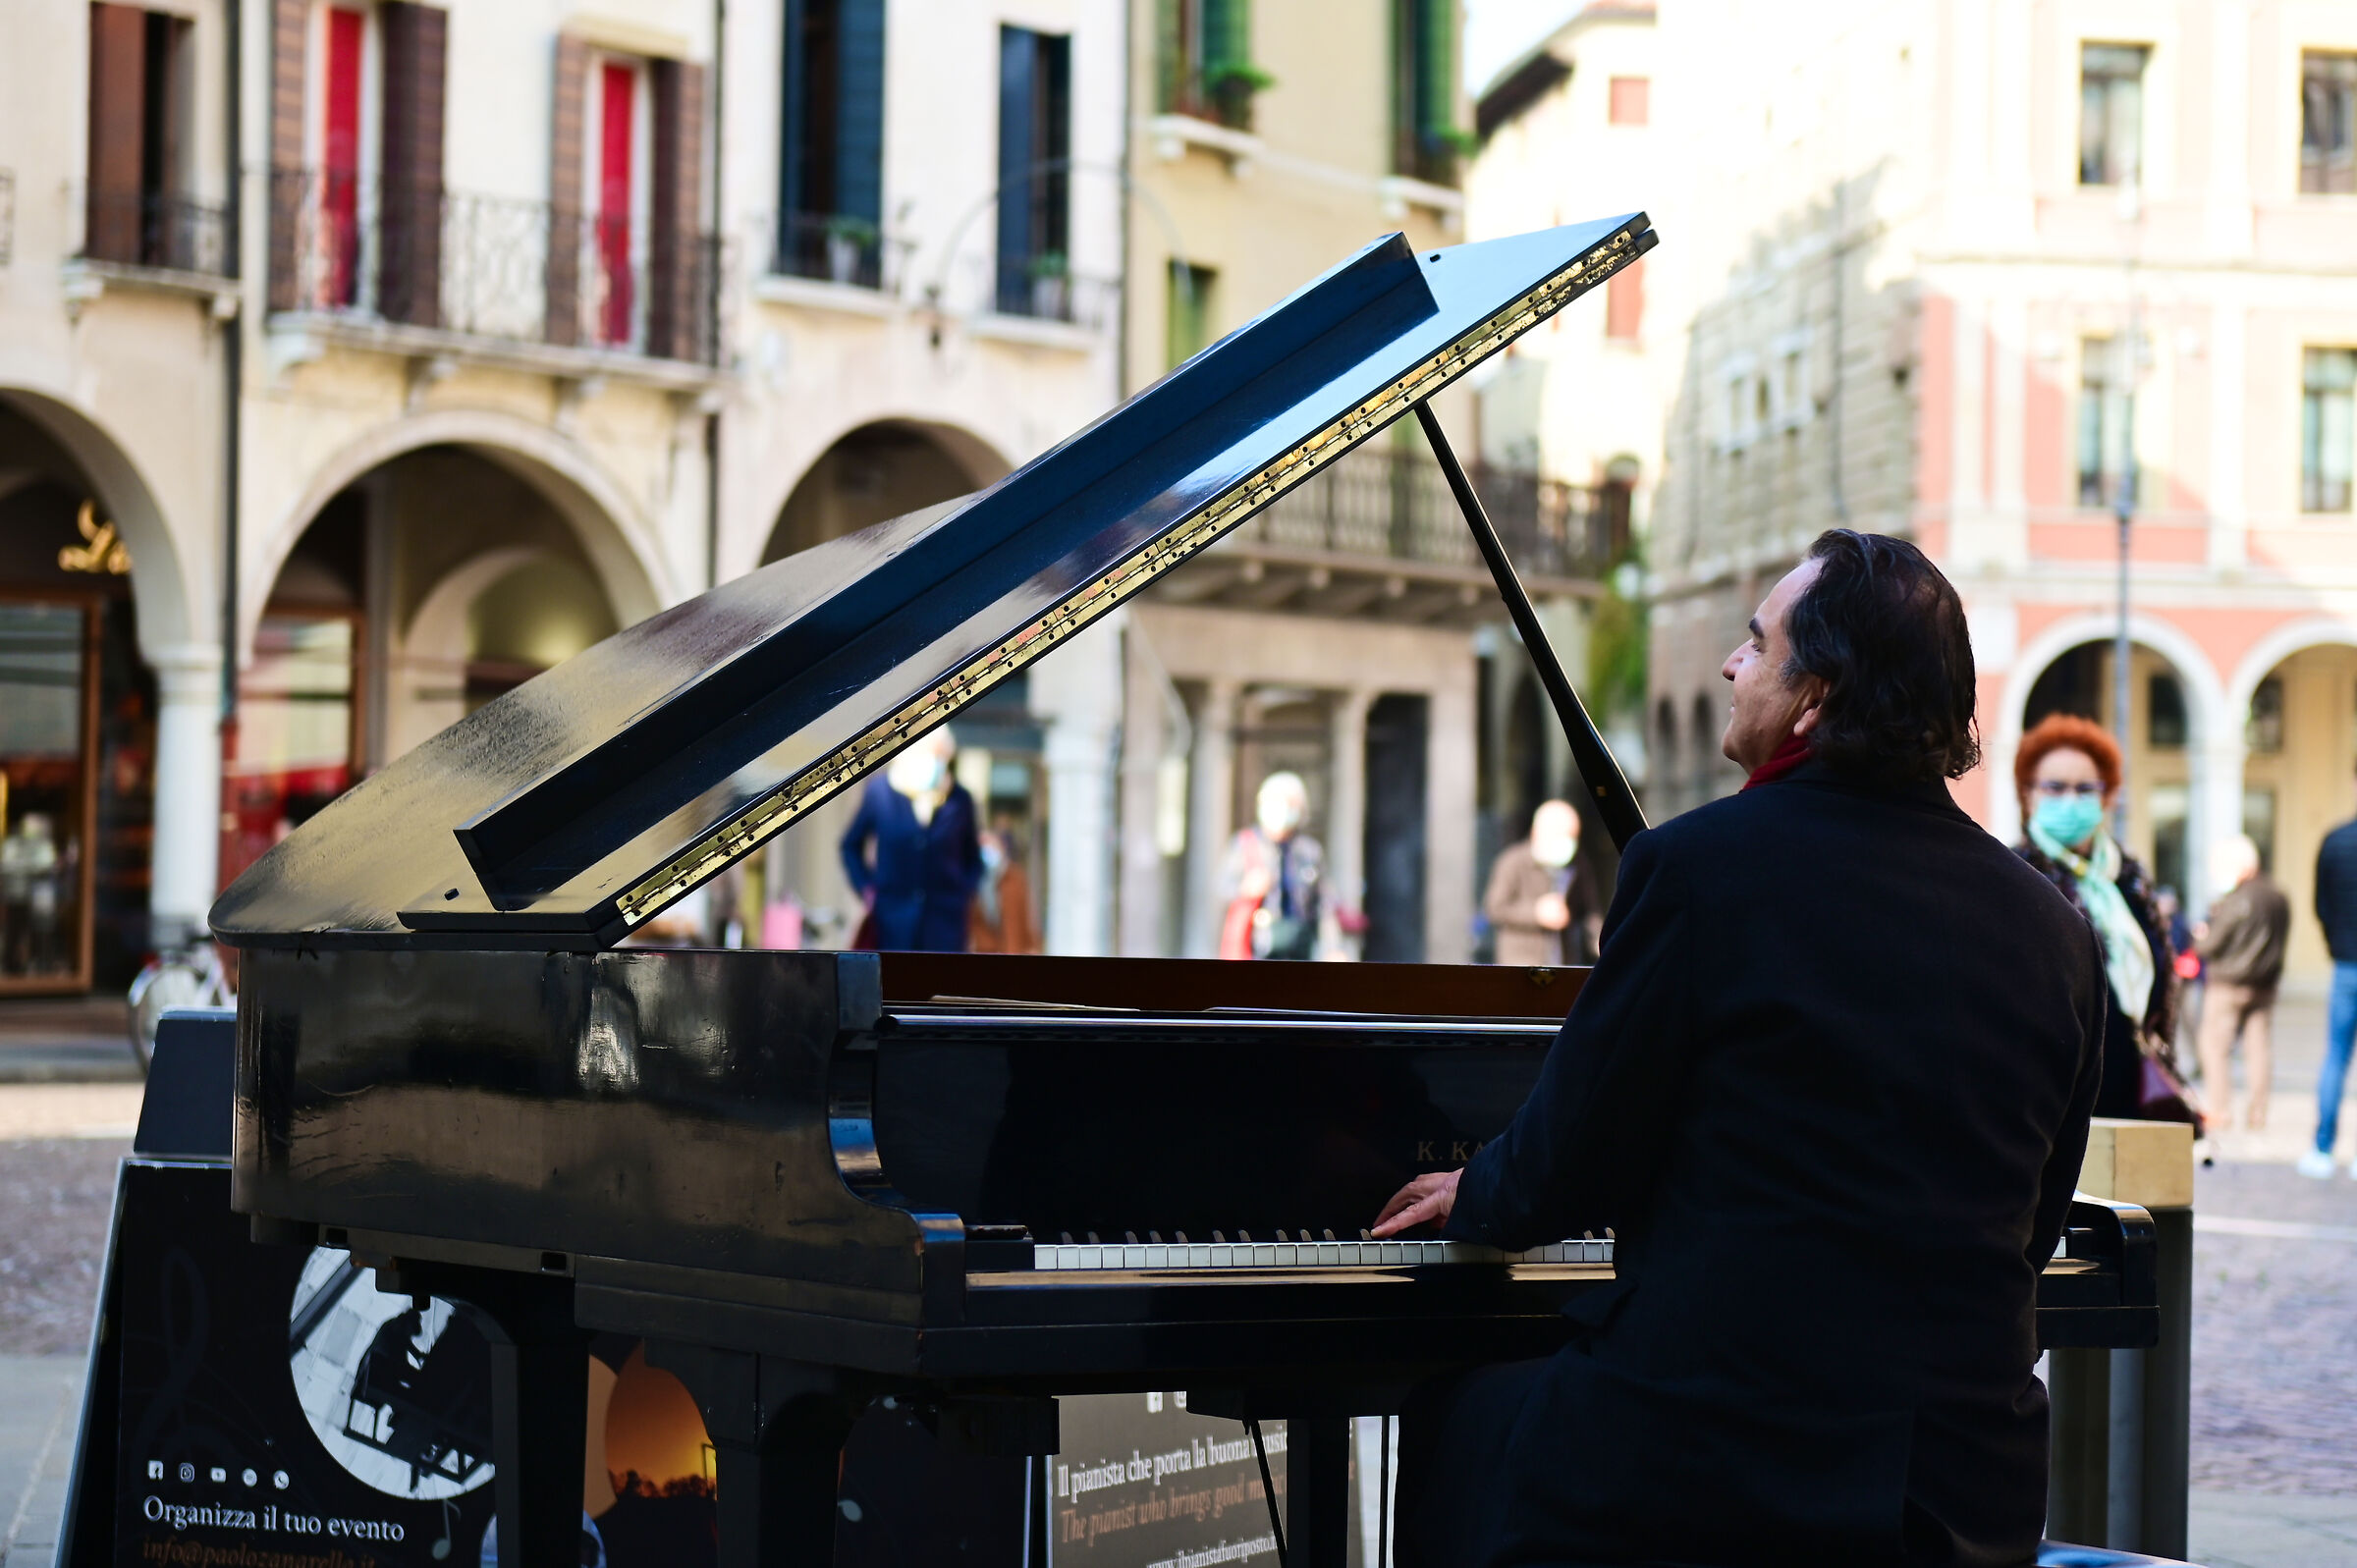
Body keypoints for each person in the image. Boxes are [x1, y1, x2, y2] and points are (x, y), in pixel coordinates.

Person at [1372, 530, 2107, 1568]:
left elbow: (1565, 1163)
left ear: (1816, 699)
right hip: (1959, 1490)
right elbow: (2030, 1229)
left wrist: (1476, 1186)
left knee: (1463, 1414)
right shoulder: (2054, 930)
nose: (1731, 663)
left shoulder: (1697, 873)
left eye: (1756, 645)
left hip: (1719, 1470)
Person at [2011, 713, 2181, 1121]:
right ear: (2028, 794)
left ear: (2106, 798)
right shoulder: (2015, 875)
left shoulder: (2129, 877)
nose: (2071, 799)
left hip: (2133, 1091)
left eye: (2085, 788)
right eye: (2055, 787)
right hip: (2050, 1100)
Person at [838, 727, 983, 951]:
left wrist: (964, 892)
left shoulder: (959, 799)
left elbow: (973, 858)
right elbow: (850, 845)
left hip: (944, 926)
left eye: (940, 756)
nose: (935, 762)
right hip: (892, 923)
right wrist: (867, 890)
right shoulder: (881, 792)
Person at [2195, 834, 2289, 1135]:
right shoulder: (2278, 896)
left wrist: (2201, 938)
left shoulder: (2236, 899)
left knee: (2214, 1047)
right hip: (2264, 984)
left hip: (2228, 984)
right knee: (2258, 1048)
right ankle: (2257, 1114)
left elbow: (2211, 945)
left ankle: (2220, 1110)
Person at [2304, 784, 2357, 1176]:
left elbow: (2320, 903)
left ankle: (2322, 1149)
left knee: (2335, 1058)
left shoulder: (2334, 841)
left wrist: (2335, 943)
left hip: (2345, 964)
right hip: (2344, 960)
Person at [1482, 799, 1602, 966]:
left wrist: (1599, 941)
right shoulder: (1512, 861)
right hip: (1521, 964)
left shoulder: (1578, 864)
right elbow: (1494, 908)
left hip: (1563, 963)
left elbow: (1589, 912)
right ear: (1537, 832)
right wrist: (1536, 913)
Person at [1218, 772, 1324, 960]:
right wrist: (1246, 888)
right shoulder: (1244, 845)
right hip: (1258, 946)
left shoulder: (1309, 851)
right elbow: (1223, 887)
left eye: (1290, 803)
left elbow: (1324, 903)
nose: (1282, 808)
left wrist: (1332, 947)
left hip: (1299, 946)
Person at [967, 821, 1042, 954]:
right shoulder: (973, 879)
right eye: (981, 845)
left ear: (1001, 846)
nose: (986, 850)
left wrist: (1032, 948)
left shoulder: (1015, 878)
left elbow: (1027, 918)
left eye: (989, 843)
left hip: (1011, 949)